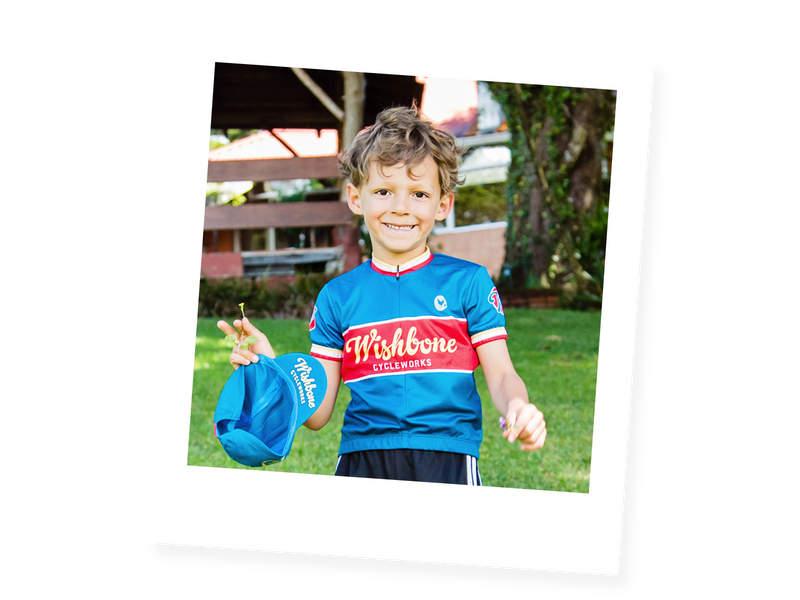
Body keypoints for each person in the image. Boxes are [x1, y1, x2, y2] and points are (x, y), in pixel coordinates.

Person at [217, 105, 546, 485]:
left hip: (448, 458)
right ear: (356, 198)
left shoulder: (469, 283)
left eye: (419, 193)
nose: (401, 208)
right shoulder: (336, 297)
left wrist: (519, 406)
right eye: (384, 190)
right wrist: (274, 369)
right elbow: (319, 414)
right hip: (361, 460)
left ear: (444, 204)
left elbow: (503, 375)